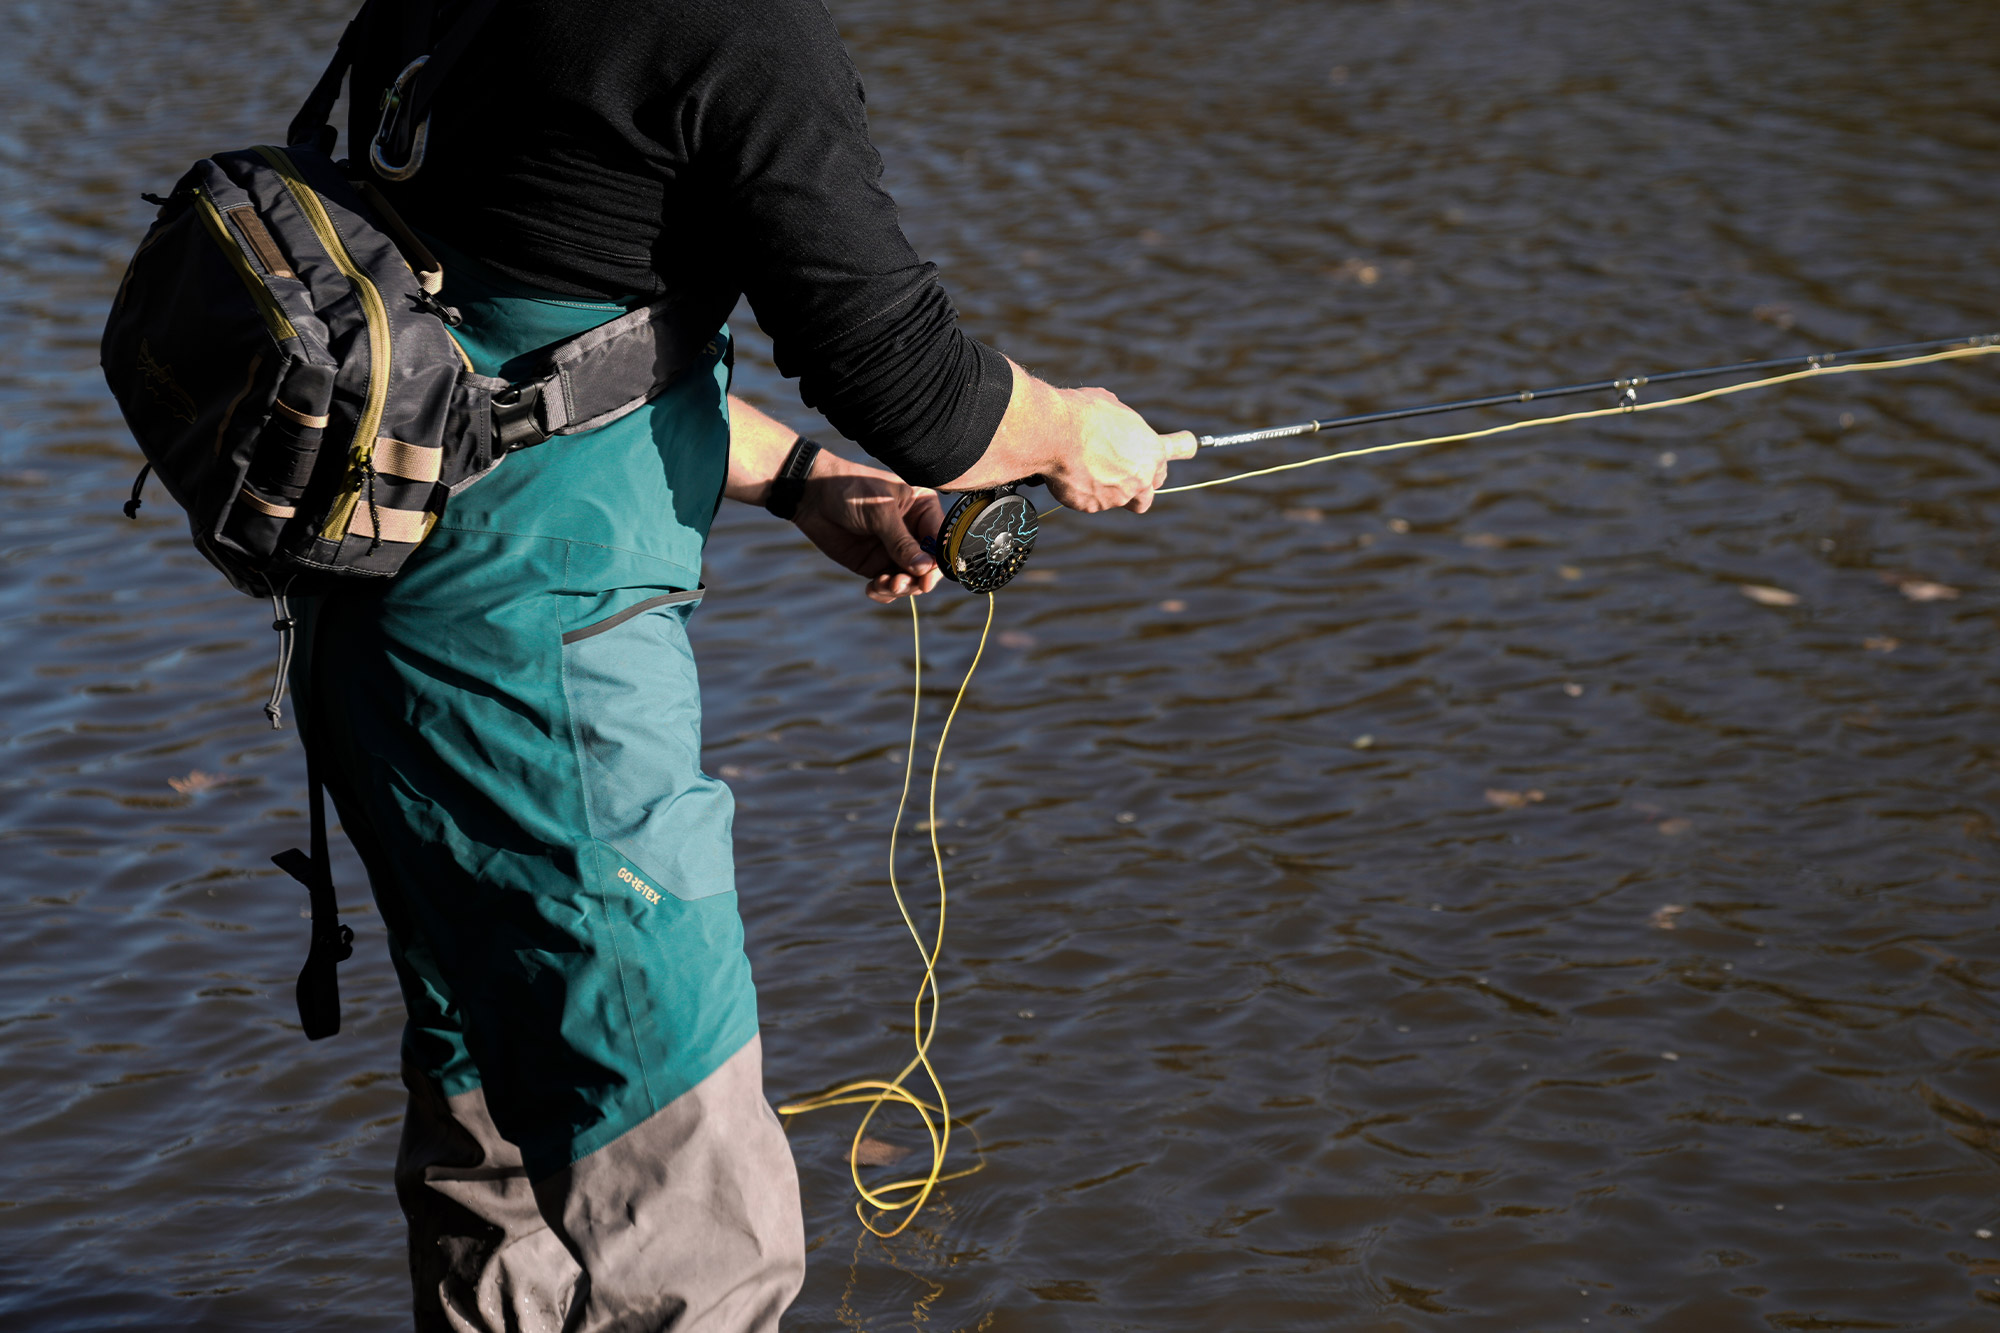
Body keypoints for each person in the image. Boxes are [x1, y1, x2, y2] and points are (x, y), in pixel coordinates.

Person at [301, 1, 1194, 1329]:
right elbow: (909, 381)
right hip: (543, 679)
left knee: (498, 1135)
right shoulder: (740, 34)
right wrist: (1075, 431)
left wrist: (800, 480)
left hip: (370, 643)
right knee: (697, 1234)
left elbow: (494, 340)